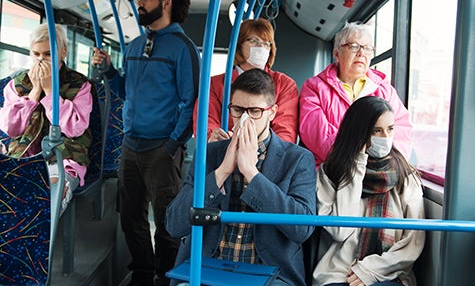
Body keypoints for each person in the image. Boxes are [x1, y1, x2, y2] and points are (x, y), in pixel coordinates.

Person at [91, 0, 201, 286]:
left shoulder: (183, 48)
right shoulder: (136, 45)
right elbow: (125, 91)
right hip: (130, 145)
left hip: (160, 149)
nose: (141, 2)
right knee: (130, 217)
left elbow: (189, 103)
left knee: (166, 222)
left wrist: (171, 146)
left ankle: (165, 278)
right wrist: (109, 72)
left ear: (166, 4)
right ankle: (141, 273)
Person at [166, 69, 316, 286]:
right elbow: (174, 224)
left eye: (255, 111)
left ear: (272, 112)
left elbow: (302, 229)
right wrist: (222, 172)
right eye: (237, 109)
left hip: (269, 272)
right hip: (209, 265)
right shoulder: (209, 154)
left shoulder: (297, 159)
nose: (245, 118)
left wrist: (251, 174)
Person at [313, 96, 425, 286]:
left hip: (388, 274)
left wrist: (370, 270)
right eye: (376, 131)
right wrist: (356, 166)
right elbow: (340, 230)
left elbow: (412, 241)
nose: (386, 138)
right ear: (360, 133)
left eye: (390, 129)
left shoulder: (405, 175)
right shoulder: (331, 172)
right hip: (338, 274)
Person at [0, 23, 94, 214]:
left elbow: (74, 128)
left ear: (62, 53)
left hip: (66, 157)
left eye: (48, 54)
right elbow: (11, 129)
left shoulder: (80, 85)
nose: (41, 60)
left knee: (47, 201)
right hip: (23, 153)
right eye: (36, 54)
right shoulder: (16, 85)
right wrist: (34, 93)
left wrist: (50, 92)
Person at [299, 22, 413, 167]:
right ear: (336, 54)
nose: (361, 53)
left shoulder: (385, 90)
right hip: (331, 171)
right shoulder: (314, 88)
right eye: (353, 46)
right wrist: (358, 161)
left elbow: (401, 131)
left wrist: (383, 166)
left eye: (367, 48)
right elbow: (318, 137)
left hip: (378, 170)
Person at [193, 18, 299, 143]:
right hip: (224, 151)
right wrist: (217, 139)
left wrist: (267, 154)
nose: (261, 47)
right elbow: (206, 122)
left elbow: (285, 129)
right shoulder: (215, 84)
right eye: (254, 41)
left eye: (266, 43)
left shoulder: (284, 84)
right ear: (239, 46)